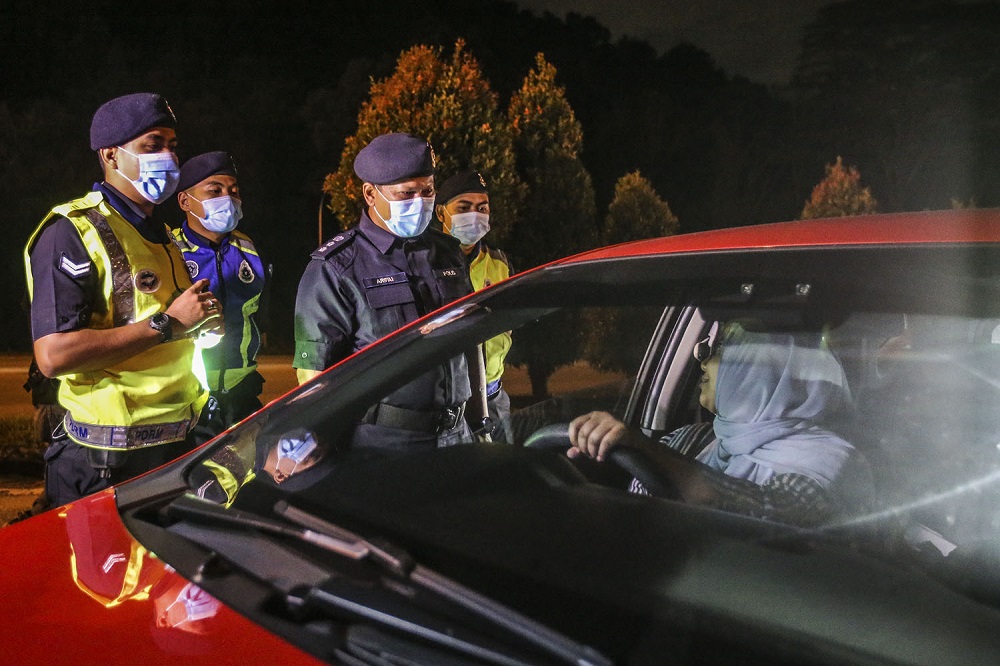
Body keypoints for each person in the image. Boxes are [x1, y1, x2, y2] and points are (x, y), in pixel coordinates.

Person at [23, 92, 223, 507]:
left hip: (175, 453)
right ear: (111, 156)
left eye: (172, 146)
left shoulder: (163, 235)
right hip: (105, 466)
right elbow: (53, 355)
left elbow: (165, 332)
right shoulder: (71, 231)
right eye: (152, 146)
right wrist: (169, 324)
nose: (168, 157)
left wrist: (198, 326)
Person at [567, 324, 875, 526]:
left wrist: (642, 446)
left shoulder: (835, 464)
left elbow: (762, 515)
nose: (704, 361)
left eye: (722, 352)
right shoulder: (692, 438)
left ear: (764, 371)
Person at [293, 132, 474, 451]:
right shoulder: (336, 268)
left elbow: (469, 343)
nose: (419, 203)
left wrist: (480, 422)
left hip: (457, 437)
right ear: (370, 194)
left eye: (427, 191)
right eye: (406, 194)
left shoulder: (448, 255)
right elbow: (313, 376)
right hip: (382, 445)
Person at [171, 151, 267, 429]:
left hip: (243, 393)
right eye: (215, 190)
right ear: (185, 201)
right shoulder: (171, 250)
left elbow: (259, 313)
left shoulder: (249, 249)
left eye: (233, 190)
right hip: (186, 396)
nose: (228, 198)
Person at [434, 169, 514, 441]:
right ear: (440, 213)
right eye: (464, 207)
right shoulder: (427, 264)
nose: (475, 215)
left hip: (494, 397)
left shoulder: (500, 263)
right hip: (447, 406)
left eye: (482, 208)